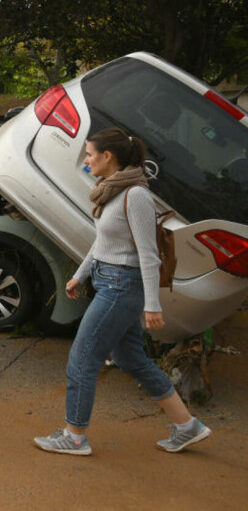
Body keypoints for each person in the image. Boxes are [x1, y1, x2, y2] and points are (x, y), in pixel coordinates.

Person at [34, 127, 211, 455]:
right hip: (109, 280)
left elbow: (148, 253)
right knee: (132, 359)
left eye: (89, 154)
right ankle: (188, 426)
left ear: (107, 156)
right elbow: (104, 242)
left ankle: (74, 436)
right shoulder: (111, 190)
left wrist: (153, 305)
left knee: (83, 359)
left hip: (121, 287)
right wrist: (80, 275)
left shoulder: (136, 195)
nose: (85, 161)